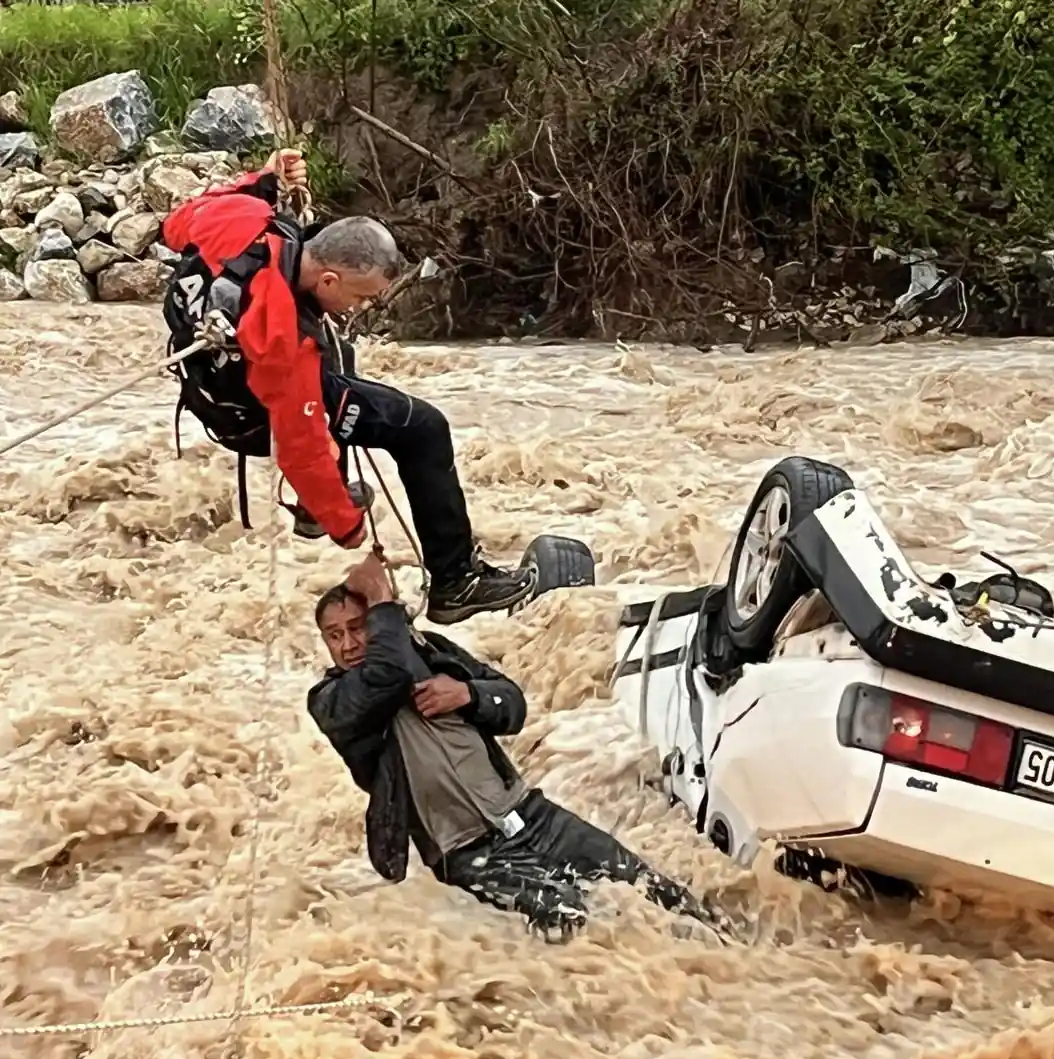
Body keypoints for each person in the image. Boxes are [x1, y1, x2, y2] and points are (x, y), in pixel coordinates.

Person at [160, 147, 532, 626]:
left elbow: (178, 223)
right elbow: (300, 446)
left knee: (342, 360)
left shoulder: (241, 216)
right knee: (422, 429)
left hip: (210, 383)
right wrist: (346, 525)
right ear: (330, 278)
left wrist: (265, 179)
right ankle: (457, 582)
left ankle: (322, 503)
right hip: (249, 414)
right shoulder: (284, 339)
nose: (360, 308)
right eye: (361, 297)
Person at [308, 550, 725, 941]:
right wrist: (380, 601)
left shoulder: (431, 653)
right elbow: (388, 676)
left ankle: (733, 951)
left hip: (532, 816)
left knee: (653, 888)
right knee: (570, 923)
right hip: (466, 851)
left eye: (358, 628)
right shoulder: (332, 701)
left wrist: (469, 694)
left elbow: (513, 705)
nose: (348, 644)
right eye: (334, 635)